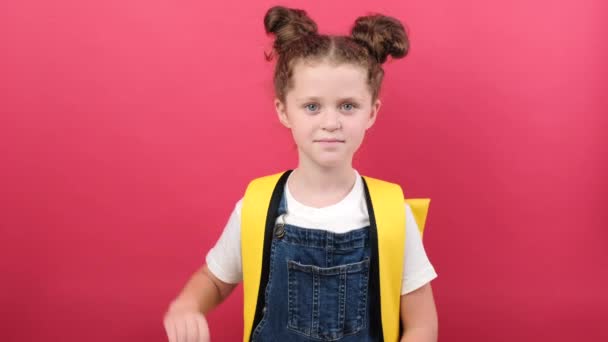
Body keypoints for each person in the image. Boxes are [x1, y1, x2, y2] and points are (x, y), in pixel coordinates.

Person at [163, 5, 438, 342]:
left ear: (372, 112)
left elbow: (422, 324)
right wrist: (188, 305)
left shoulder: (393, 213)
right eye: (312, 106)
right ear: (284, 110)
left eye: (348, 105)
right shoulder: (257, 206)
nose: (330, 122)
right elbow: (216, 280)